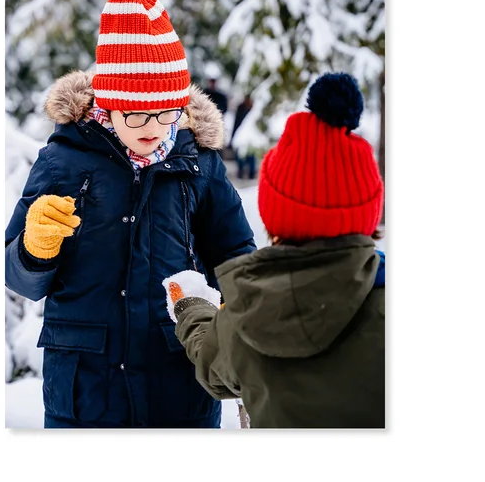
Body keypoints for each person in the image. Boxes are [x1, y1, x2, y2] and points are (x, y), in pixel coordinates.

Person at [5, 0, 256, 428]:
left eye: (164, 114)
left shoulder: (199, 162)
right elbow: (18, 278)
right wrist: (34, 249)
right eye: (136, 115)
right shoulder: (63, 160)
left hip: (177, 389)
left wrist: (249, 338)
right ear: (109, 103)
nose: (153, 129)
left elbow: (236, 259)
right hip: (85, 396)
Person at [161, 72, 385, 428]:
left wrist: (190, 307)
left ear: (275, 216)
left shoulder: (252, 312)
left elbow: (211, 363)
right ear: (368, 213)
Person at [230, 93, 256, 179]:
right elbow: (236, 123)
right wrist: (233, 136)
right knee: (240, 155)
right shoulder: (241, 107)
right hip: (241, 135)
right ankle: (241, 171)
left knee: (251, 155)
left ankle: (251, 173)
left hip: (251, 136)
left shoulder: (254, 108)